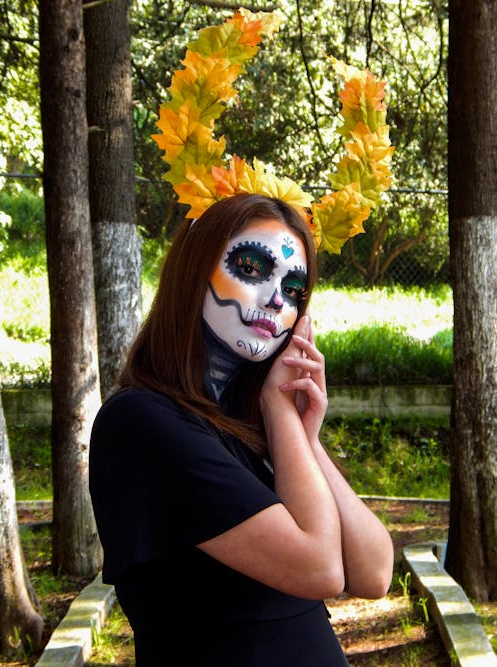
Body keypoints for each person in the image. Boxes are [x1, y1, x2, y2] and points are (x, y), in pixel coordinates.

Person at [89, 193, 394, 666]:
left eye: (293, 289)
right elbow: (321, 569)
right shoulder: (144, 423)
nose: (276, 299)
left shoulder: (246, 425)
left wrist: (303, 436)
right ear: (195, 271)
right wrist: (277, 404)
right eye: (251, 269)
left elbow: (374, 573)